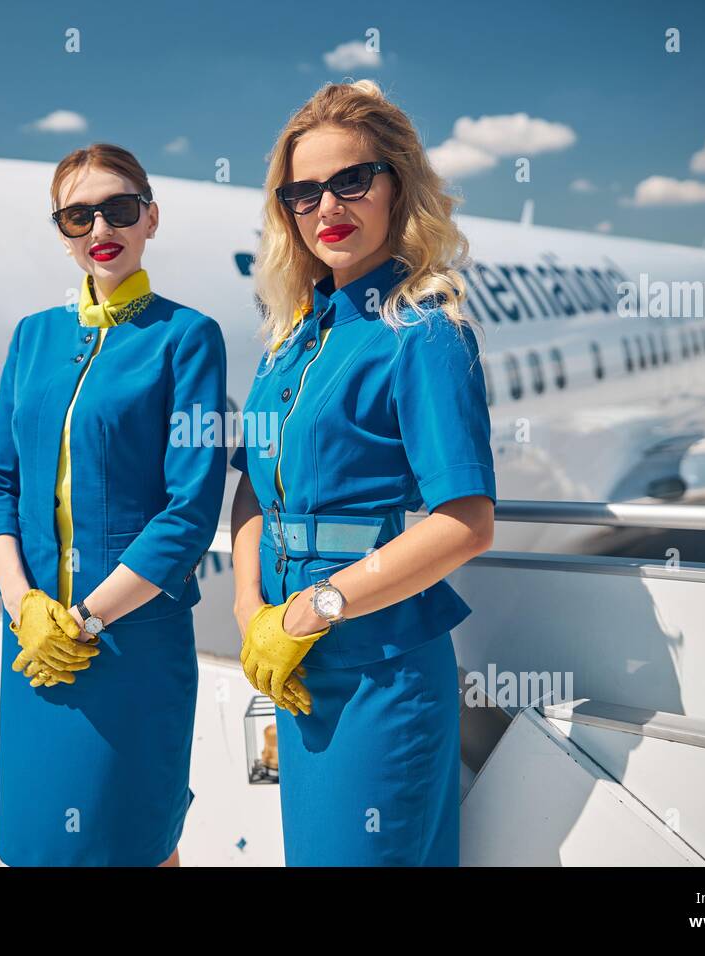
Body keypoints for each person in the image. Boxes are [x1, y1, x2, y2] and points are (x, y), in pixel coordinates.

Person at [229, 80, 497, 866]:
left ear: (397, 184)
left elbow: (466, 524)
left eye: (353, 180)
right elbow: (252, 487)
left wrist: (314, 608)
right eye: (303, 191)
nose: (327, 206)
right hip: (292, 664)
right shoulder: (291, 342)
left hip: (377, 668)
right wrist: (251, 610)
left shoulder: (423, 332)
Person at [0, 143, 227, 866]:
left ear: (151, 217)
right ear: (60, 230)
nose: (98, 228)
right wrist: (24, 606)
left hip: (128, 643)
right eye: (76, 215)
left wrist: (84, 620)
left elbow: (188, 510)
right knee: (35, 846)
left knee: (133, 842)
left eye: (118, 208)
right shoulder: (32, 338)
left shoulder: (187, 338)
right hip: (32, 646)